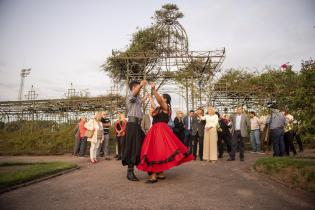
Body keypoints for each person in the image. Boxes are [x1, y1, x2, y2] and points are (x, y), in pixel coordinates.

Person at [137, 82, 194, 183]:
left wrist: (154, 90)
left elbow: (158, 101)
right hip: (157, 129)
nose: (161, 99)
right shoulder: (160, 108)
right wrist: (150, 97)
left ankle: (153, 176)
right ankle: (160, 173)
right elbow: (154, 104)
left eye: (163, 97)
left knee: (153, 151)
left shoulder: (166, 106)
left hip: (159, 130)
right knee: (159, 150)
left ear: (166, 99)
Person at [122, 80, 147, 181]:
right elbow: (134, 94)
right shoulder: (130, 97)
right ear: (133, 88)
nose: (140, 90)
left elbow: (140, 101)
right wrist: (140, 85)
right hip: (132, 125)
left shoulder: (137, 100)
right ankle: (130, 172)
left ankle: (150, 167)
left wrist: (147, 96)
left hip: (137, 125)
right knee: (132, 147)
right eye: (137, 87)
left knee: (145, 143)